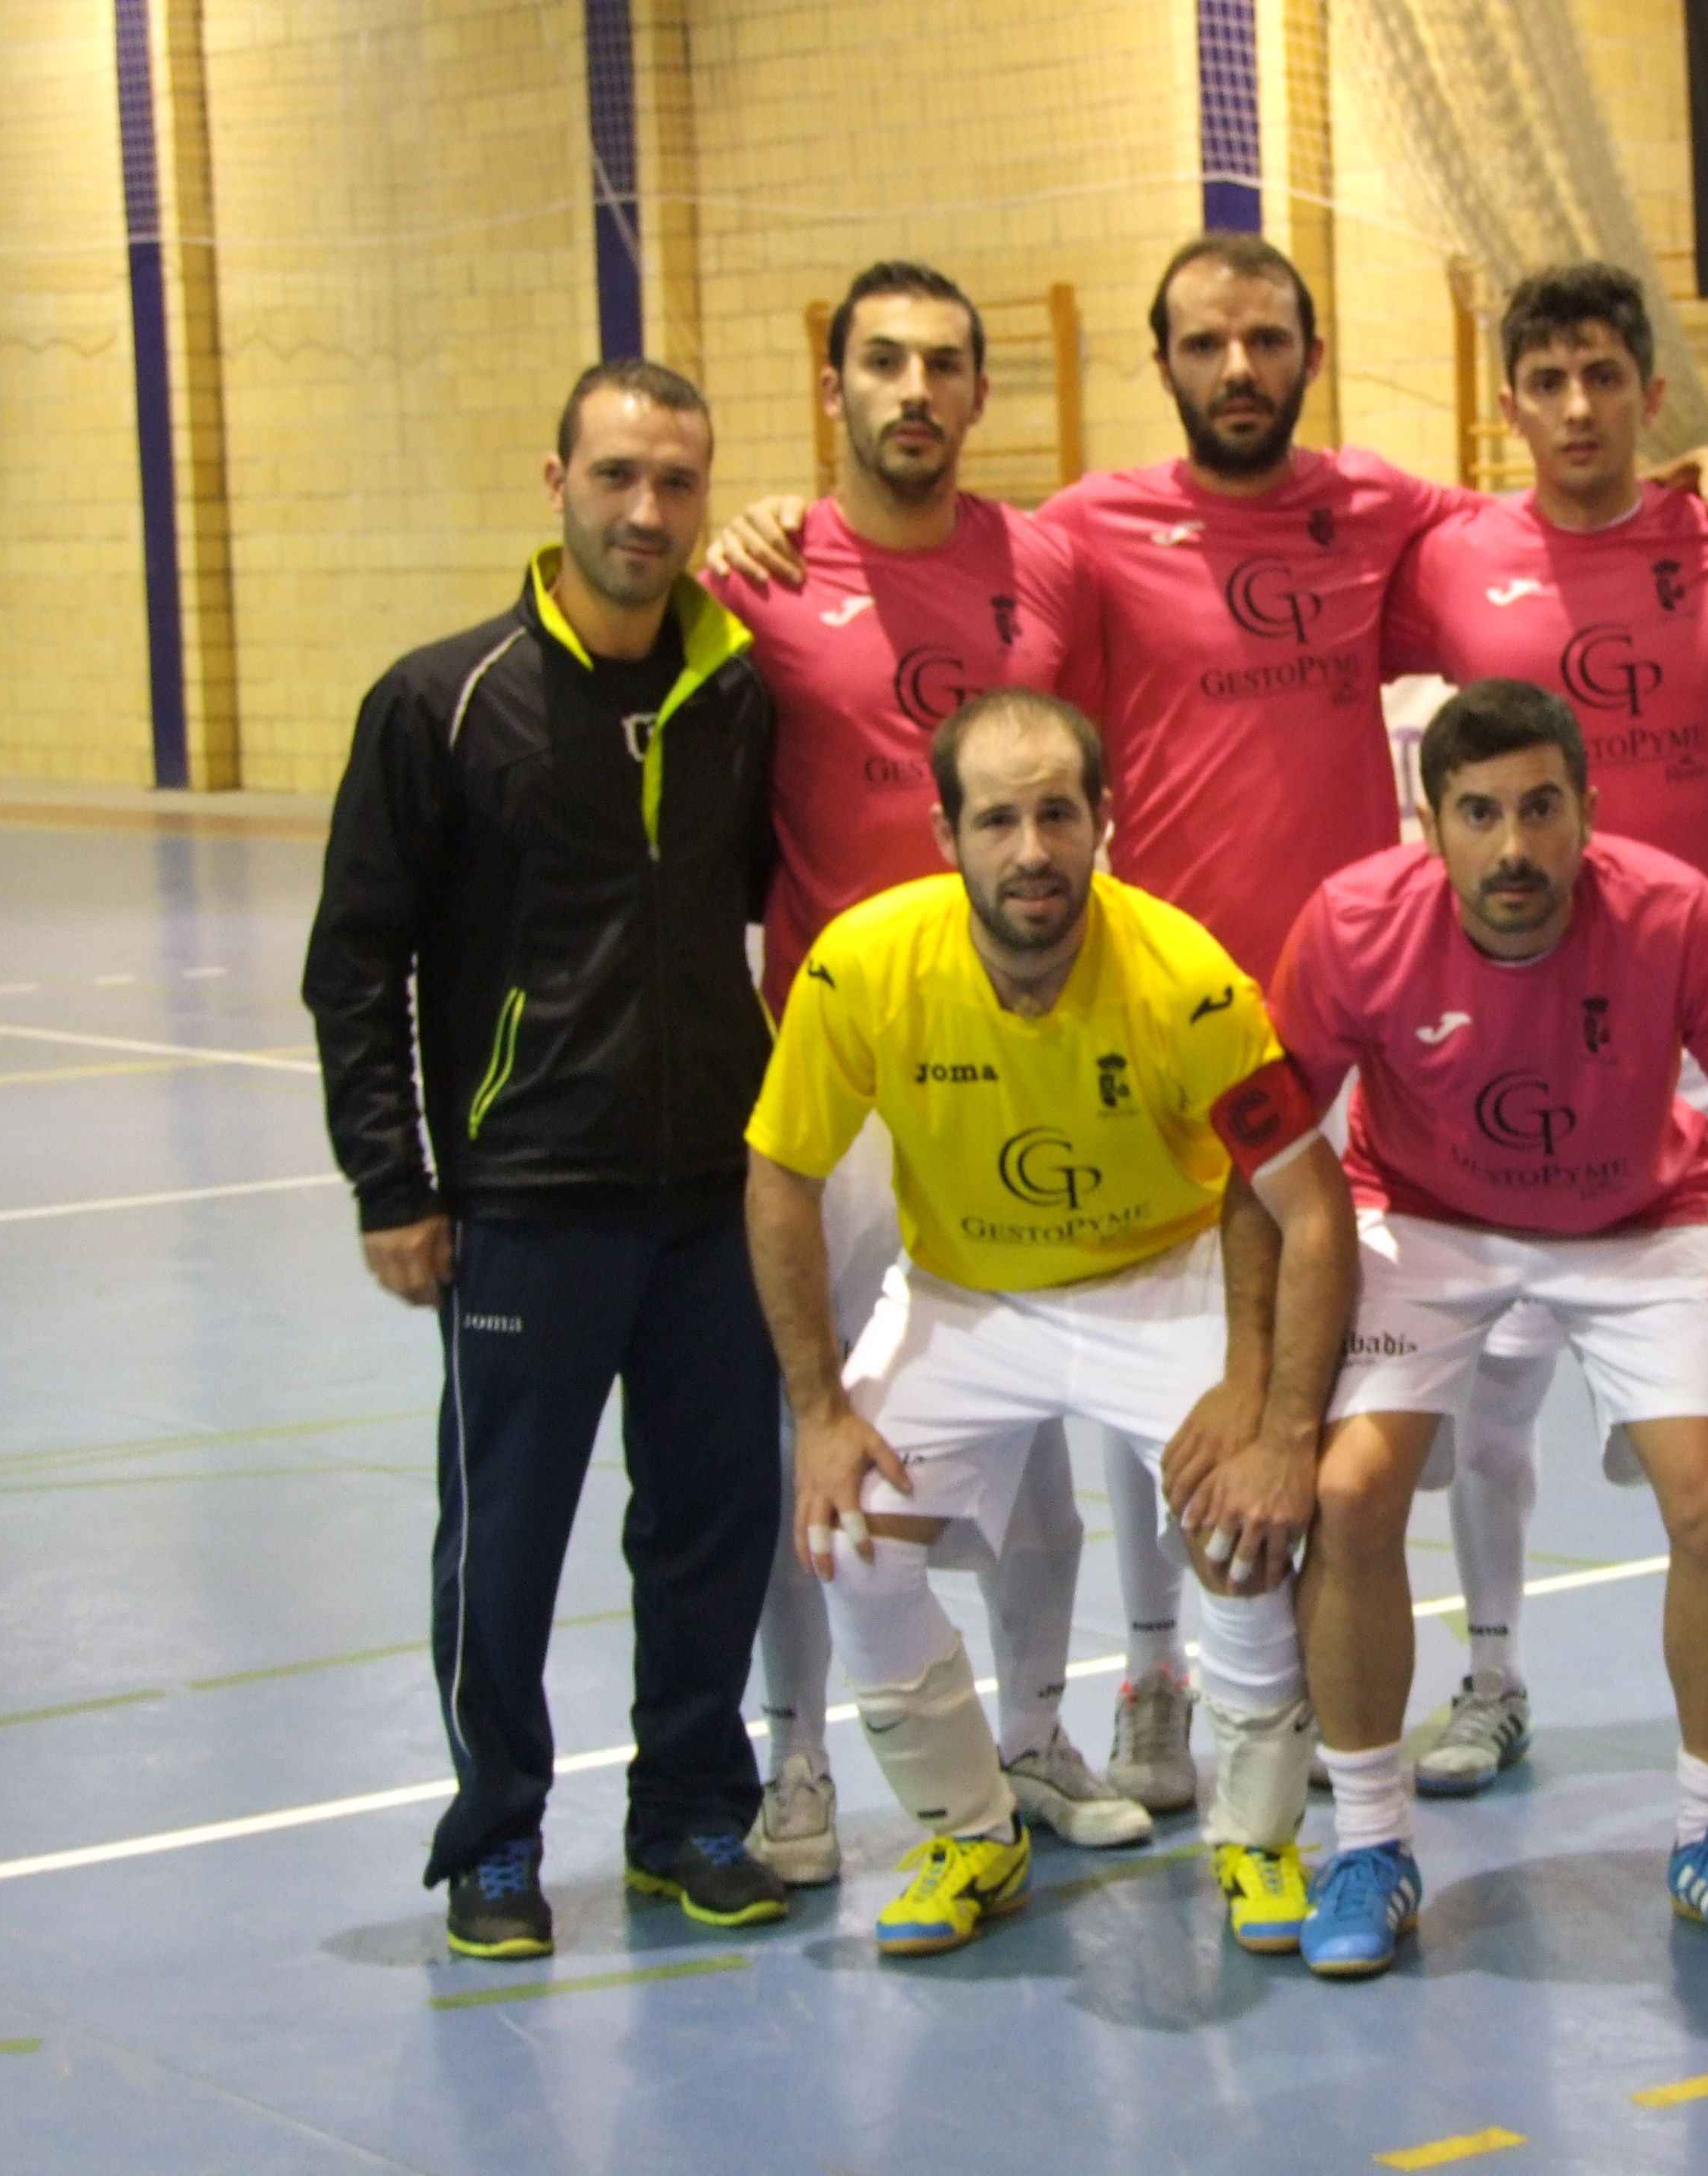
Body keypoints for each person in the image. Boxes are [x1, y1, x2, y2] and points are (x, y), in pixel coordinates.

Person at [706, 233, 1708, 1822]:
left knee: (1333, 1397)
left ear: (1309, 353)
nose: (1237, 368)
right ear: (1164, 364)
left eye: (1267, 339)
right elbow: (930, 584)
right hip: (1139, 1023)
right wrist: (768, 520)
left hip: (1364, 1017)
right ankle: (1107, 1689)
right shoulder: (1078, 540)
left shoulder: (1387, 514)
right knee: (1064, 1399)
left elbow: (1561, 525)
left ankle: (1459, 1678)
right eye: (1206, 342)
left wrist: (1690, 472)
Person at [742, 688, 1357, 1957]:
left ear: (1104, 824)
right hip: (965, 1296)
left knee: (1243, 1534)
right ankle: (972, 1831)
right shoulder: (860, 967)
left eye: (1059, 815)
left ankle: (1257, 1839)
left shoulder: (1190, 982)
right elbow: (780, 1178)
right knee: (851, 1542)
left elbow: (1306, 1203)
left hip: (1160, 1278)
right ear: (944, 835)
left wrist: (1276, 1412)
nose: (1032, 850)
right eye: (1000, 819)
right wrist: (818, 1410)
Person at [303, 358, 788, 1961]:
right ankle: (496, 1839)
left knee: (711, 1519)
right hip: (525, 1200)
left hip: (715, 1193)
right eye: (617, 477)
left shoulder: (738, 693)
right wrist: (396, 1181)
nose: (646, 511)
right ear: (557, 481)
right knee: (506, 1533)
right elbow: (356, 962)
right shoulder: (443, 701)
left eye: (676, 483)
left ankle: (690, 1815)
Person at [1377, 261, 1708, 1797]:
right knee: (1494, 1383)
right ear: (1505, 402)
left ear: (1651, 393)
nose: (1577, 408)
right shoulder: (1450, 557)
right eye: (1546, 381)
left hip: (1701, 1020)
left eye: (1604, 378)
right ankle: (1493, 1673)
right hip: (1510, 1018)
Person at [699, 260, 1137, 1882]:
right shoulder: (753, 573)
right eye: (880, 362)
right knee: (804, 1432)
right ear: (830, 388)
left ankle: (1031, 1734)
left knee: (1032, 1440)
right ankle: (796, 1759)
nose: (913, 391)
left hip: (1021, 1064)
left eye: (944, 365)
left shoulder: (1050, 564)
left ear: (978, 392)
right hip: (847, 1081)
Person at [1269, 679, 1708, 1980]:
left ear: (1588, 813)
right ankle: (1370, 1843)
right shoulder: (1350, 924)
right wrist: (1268, 1405)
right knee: (1346, 1493)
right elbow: (1270, 1151)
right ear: (1430, 822)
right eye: (1482, 813)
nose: (1515, 847)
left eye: (1543, 809)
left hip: (1645, 1222)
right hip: (1428, 1218)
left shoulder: (1676, 916)